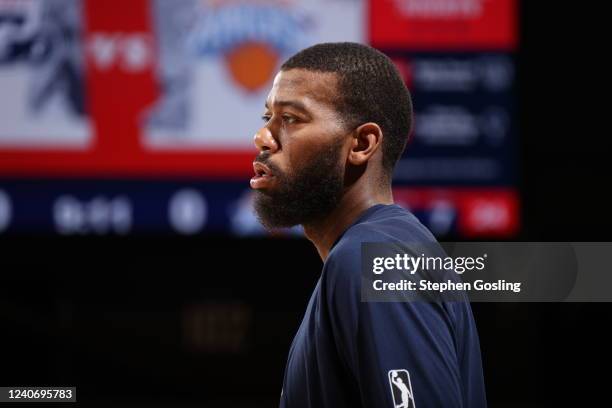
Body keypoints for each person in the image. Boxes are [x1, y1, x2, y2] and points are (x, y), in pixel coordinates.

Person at [250, 42, 486, 408]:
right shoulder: (375, 251)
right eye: (267, 118)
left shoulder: (371, 260)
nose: (263, 137)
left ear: (361, 143)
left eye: (291, 119)